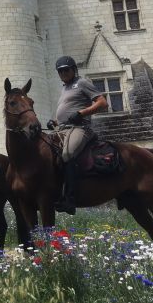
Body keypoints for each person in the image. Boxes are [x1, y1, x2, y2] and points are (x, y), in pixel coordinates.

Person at [47, 55, 108, 215]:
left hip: (80, 127)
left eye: (66, 70)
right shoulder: (65, 88)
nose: (63, 73)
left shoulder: (82, 83)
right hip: (63, 129)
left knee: (67, 153)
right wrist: (55, 121)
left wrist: (82, 113)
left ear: (74, 69)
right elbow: (68, 109)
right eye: (60, 71)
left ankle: (70, 199)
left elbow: (102, 103)